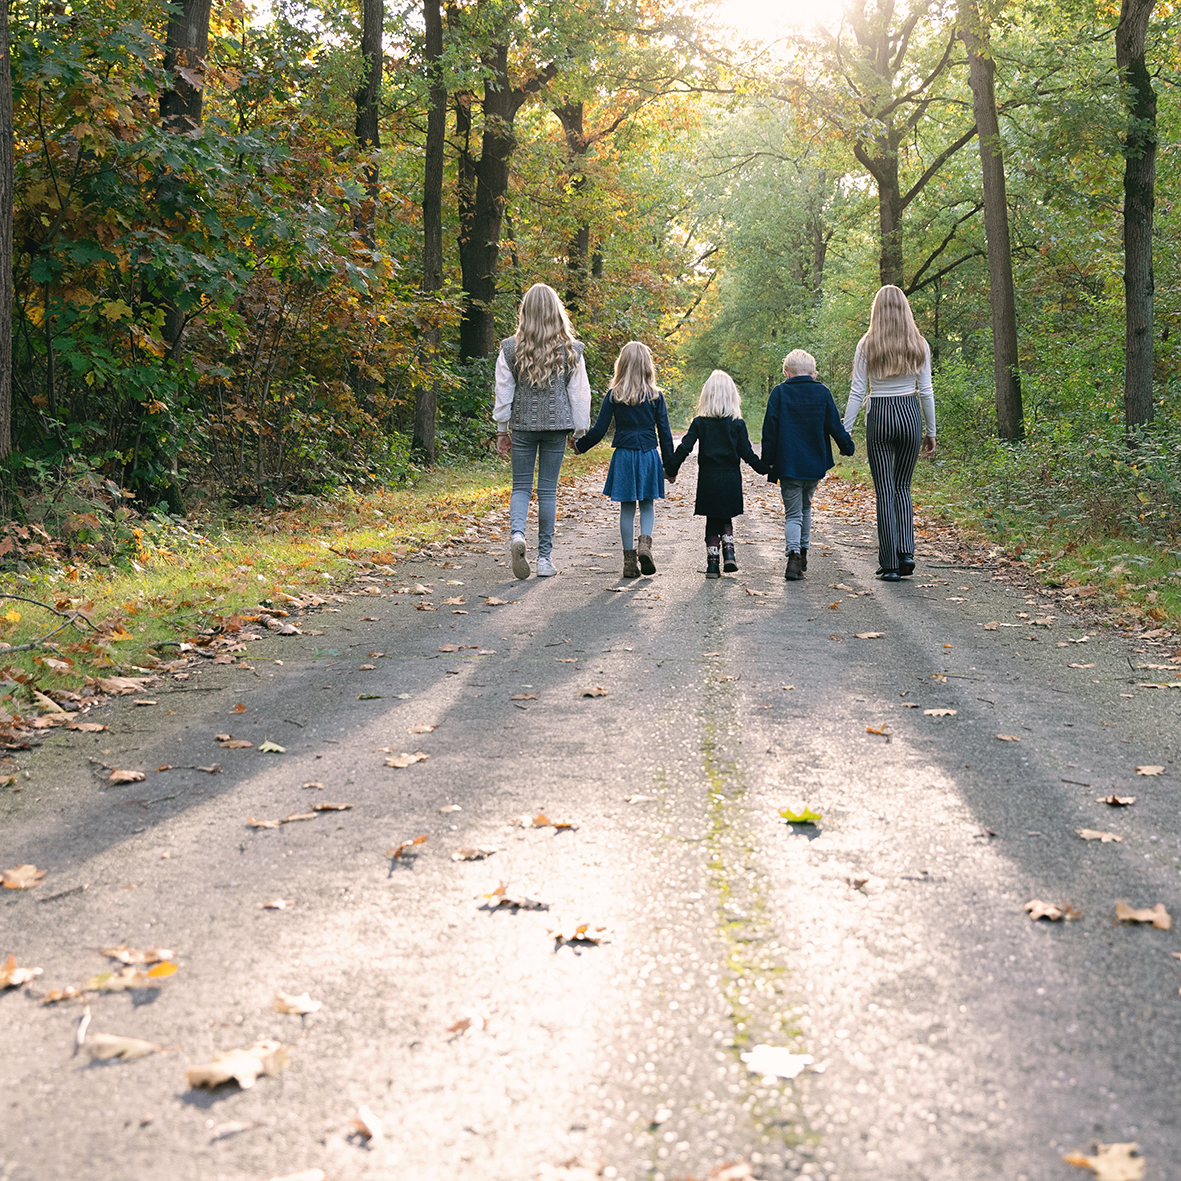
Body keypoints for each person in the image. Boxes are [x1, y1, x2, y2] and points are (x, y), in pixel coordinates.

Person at [493, 283, 591, 579]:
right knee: (548, 491)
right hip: (557, 427)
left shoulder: (510, 348)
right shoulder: (572, 349)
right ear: (556, 311)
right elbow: (579, 394)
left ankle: (517, 536)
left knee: (521, 487)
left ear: (525, 312)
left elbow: (503, 391)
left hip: (522, 426)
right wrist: (580, 430)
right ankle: (544, 559)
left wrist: (501, 429)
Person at [842, 285, 936, 582]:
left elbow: (858, 391)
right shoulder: (918, 343)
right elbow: (926, 391)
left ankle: (890, 563)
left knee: (885, 489)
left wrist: (846, 430)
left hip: (880, 415)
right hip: (910, 413)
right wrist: (931, 431)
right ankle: (906, 551)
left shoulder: (866, 344)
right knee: (903, 487)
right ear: (905, 309)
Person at [572, 341, 675, 578]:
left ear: (622, 365)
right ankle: (645, 546)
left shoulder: (614, 395)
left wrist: (580, 446)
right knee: (647, 504)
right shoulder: (656, 397)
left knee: (627, 509)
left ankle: (629, 562)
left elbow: (598, 431)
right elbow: (666, 434)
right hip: (649, 455)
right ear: (648, 367)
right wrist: (670, 467)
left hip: (624, 456)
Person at [762, 349, 855, 582]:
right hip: (814, 465)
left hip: (788, 465)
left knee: (793, 513)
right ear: (813, 373)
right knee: (806, 507)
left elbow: (769, 431)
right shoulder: (822, 392)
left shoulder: (779, 393)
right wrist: (847, 446)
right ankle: (803, 554)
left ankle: (793, 557)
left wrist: (768, 461)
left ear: (786, 372)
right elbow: (835, 424)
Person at [666, 370, 767, 578]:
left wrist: (671, 469)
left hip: (708, 479)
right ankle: (729, 550)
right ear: (732, 397)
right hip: (730, 477)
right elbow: (747, 453)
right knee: (726, 516)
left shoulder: (700, 423)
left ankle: (712, 565)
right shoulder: (737, 424)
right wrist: (764, 468)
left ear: (707, 396)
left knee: (712, 520)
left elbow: (685, 448)